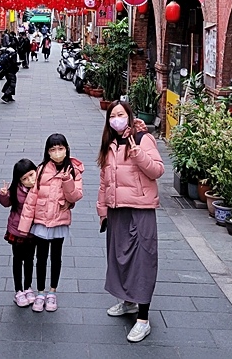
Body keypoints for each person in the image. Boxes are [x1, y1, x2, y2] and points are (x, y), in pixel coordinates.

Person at [97, 100, 165, 343]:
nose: (116, 118)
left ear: (128, 115)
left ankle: (143, 319)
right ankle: (128, 302)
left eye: (120, 114)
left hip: (140, 209)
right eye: (112, 115)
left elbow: (157, 170)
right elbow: (105, 180)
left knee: (143, 261)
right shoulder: (110, 143)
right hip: (117, 210)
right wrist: (102, 210)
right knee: (120, 258)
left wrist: (137, 154)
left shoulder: (143, 138)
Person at [18, 134, 83, 313]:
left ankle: (52, 292)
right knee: (41, 257)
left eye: (60, 148)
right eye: (53, 149)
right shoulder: (40, 170)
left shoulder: (74, 170)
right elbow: (31, 200)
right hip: (40, 221)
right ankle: (40, 292)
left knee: (56, 257)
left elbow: (75, 196)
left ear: (66, 149)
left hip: (59, 221)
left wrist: (68, 180)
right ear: (47, 152)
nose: (57, 152)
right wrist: (24, 228)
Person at [0, 159, 38, 307]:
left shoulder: (40, 188)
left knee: (29, 260)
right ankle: (18, 290)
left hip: (32, 232)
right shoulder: (16, 189)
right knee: (17, 259)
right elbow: (6, 203)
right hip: (17, 230)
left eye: (31, 175)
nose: (29, 180)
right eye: (24, 179)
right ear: (19, 180)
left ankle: (28, 287)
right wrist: (3, 194)